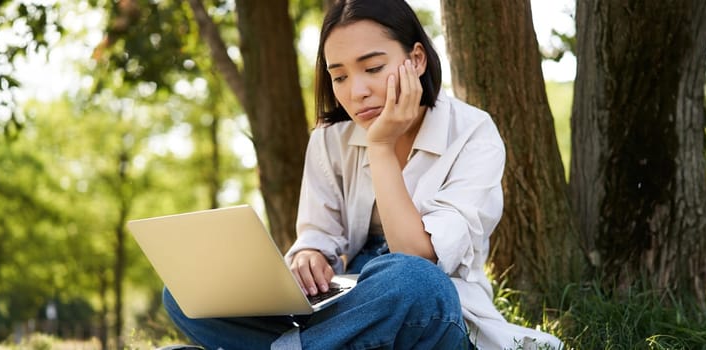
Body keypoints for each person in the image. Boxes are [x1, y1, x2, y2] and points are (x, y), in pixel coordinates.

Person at [163, 0, 563, 348]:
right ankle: (316, 345)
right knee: (185, 290)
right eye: (339, 76)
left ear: (417, 60)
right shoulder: (330, 139)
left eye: (372, 68)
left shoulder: (474, 133)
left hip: (421, 306)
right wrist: (308, 257)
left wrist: (382, 145)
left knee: (414, 282)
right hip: (345, 303)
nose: (356, 91)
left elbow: (417, 257)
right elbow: (317, 235)